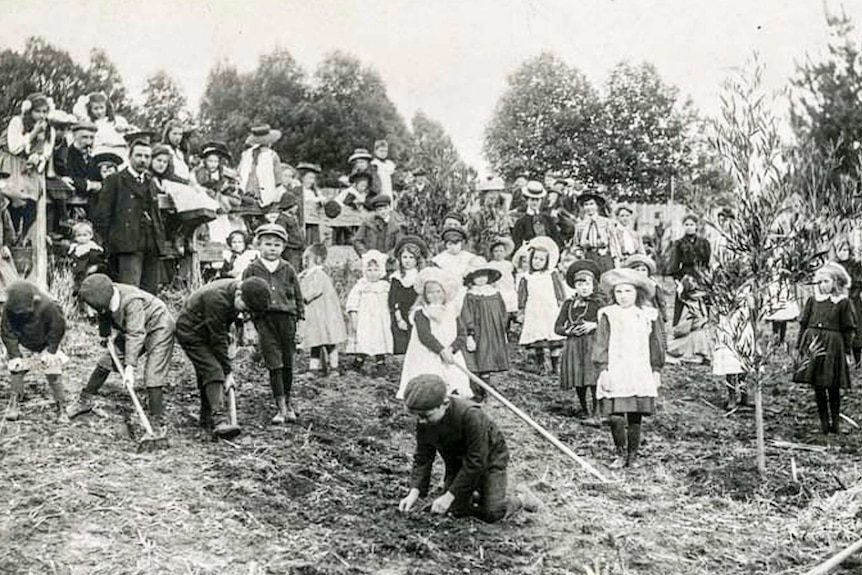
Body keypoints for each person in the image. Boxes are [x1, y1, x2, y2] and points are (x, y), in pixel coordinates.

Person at [397, 374, 539, 522]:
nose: (422, 422)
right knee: (454, 510)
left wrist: (449, 496)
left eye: (426, 416)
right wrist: (414, 492)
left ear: (444, 404)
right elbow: (423, 457)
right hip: (458, 463)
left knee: (492, 513)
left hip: (490, 460)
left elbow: (476, 461)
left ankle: (522, 498)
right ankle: (477, 493)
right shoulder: (425, 419)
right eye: (418, 417)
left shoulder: (471, 416)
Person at [67, 274, 176, 429]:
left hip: (159, 326)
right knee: (105, 362)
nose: (90, 311)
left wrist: (129, 368)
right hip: (133, 329)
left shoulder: (131, 301)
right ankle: (84, 401)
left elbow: (136, 334)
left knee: (153, 374)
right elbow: (104, 314)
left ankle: (157, 422)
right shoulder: (104, 294)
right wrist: (104, 335)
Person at [176, 276, 271, 438]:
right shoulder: (217, 298)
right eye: (246, 308)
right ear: (239, 294)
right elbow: (217, 339)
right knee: (214, 370)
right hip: (191, 332)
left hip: (208, 329)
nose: (244, 313)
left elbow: (223, 330)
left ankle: (206, 419)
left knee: (207, 374)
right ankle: (219, 418)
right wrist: (228, 372)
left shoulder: (237, 293)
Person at [593, 268, 665, 469]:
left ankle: (633, 455)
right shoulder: (608, 314)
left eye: (628, 292)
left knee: (635, 415)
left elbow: (655, 344)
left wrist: (656, 370)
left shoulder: (647, 315)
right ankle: (620, 452)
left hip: (638, 369)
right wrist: (603, 369)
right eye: (619, 292)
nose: (623, 296)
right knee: (615, 416)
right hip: (616, 369)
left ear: (637, 293)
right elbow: (601, 343)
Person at [242, 223, 305, 424]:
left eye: (277, 245)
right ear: (258, 245)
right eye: (268, 244)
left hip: (287, 320)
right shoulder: (252, 269)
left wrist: (300, 324)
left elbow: (298, 297)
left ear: (283, 247)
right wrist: (249, 325)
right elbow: (244, 298)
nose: (272, 248)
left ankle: (288, 400)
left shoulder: (288, 269)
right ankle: (280, 407)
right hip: (264, 320)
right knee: (274, 363)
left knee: (287, 363)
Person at [93, 139, 167, 294]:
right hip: (127, 244)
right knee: (130, 292)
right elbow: (102, 216)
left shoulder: (150, 182)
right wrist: (112, 241)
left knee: (150, 293)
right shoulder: (115, 180)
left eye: (147, 156)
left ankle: (147, 319)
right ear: (130, 156)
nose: (143, 160)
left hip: (151, 243)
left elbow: (156, 215)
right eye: (139, 155)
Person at [793, 262, 856, 434]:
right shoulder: (813, 301)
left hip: (833, 346)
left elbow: (848, 330)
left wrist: (847, 352)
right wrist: (800, 347)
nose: (822, 285)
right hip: (814, 344)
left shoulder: (843, 303)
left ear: (836, 282)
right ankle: (824, 424)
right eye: (819, 282)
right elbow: (804, 325)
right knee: (818, 385)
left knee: (832, 384)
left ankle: (835, 422)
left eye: (826, 281)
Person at [396, 268, 473, 399]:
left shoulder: (452, 310)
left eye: (438, 291)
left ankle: (454, 394)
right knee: (430, 382)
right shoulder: (421, 312)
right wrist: (441, 351)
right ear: (424, 295)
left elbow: (461, 333)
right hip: (428, 352)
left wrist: (451, 349)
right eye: (430, 293)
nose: (435, 295)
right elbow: (425, 336)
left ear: (445, 292)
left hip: (450, 352)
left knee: (455, 380)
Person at [1, 281, 68, 422]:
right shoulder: (9, 308)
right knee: (16, 370)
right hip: (23, 342)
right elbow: (7, 332)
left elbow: (57, 328)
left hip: (45, 342)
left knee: (53, 371)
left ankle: (61, 407)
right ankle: (14, 403)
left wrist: (51, 350)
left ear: (34, 302)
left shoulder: (49, 305)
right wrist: (14, 355)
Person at [0, 92, 55, 236]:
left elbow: (47, 151)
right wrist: (33, 133)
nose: (42, 115)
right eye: (38, 111)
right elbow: (14, 147)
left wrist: (38, 158)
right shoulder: (17, 122)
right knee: (13, 198)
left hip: (30, 168)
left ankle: (23, 236)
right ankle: (11, 236)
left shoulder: (49, 128)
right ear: (29, 111)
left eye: (45, 111)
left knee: (31, 202)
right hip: (10, 163)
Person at [555, 260, 603, 420]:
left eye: (587, 284)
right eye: (579, 284)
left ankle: (597, 411)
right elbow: (557, 327)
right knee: (578, 378)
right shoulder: (569, 304)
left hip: (592, 343)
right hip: (574, 345)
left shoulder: (598, 303)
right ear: (574, 286)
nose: (584, 288)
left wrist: (593, 325)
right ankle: (584, 408)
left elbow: (607, 322)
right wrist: (567, 331)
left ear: (593, 285)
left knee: (593, 376)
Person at [460, 257, 509, 401]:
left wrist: (502, 328)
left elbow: (502, 312)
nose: (481, 279)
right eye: (477, 276)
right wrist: (469, 334)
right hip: (477, 333)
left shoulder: (494, 294)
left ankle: (486, 391)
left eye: (483, 275)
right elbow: (465, 314)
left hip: (492, 333)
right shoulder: (470, 296)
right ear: (472, 278)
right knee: (475, 362)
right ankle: (476, 392)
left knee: (488, 362)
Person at [516, 236, 566, 374]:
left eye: (541, 259)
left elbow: (559, 291)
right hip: (534, 310)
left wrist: (561, 304)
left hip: (550, 308)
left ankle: (556, 364)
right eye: (535, 258)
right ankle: (542, 365)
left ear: (547, 261)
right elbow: (522, 295)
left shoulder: (552, 274)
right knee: (538, 335)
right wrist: (521, 310)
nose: (538, 262)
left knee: (553, 336)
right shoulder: (526, 277)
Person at [298, 244, 347, 377]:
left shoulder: (319, 274)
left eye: (308, 259)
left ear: (318, 259)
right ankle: (313, 369)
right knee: (315, 341)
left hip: (325, 315)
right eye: (304, 259)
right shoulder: (306, 275)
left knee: (329, 342)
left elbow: (314, 291)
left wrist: (302, 295)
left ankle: (334, 367)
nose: (305, 262)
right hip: (315, 316)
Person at [345, 250, 392, 377]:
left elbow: (391, 302)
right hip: (364, 318)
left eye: (376, 270)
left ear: (381, 271)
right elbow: (352, 301)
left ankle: (380, 363)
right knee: (364, 338)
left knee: (379, 338)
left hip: (380, 319)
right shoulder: (361, 286)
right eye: (369, 270)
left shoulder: (385, 286)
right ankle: (358, 362)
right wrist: (354, 315)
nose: (372, 273)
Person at [667, 214, 711, 326]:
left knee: (704, 303)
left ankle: (705, 324)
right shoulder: (679, 243)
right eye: (686, 224)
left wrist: (706, 276)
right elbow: (674, 264)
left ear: (696, 226)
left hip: (701, 276)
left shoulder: (704, 243)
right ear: (683, 226)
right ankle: (678, 328)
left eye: (691, 224)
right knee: (682, 303)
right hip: (686, 275)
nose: (689, 227)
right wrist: (678, 281)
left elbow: (707, 261)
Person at [53, 121, 99, 227]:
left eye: (91, 138)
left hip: (89, 209)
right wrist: (90, 185)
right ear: (74, 137)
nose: (88, 142)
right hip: (67, 210)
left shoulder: (93, 159)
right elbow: (68, 178)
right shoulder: (64, 155)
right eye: (84, 137)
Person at [389, 235, 429, 355]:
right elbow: (393, 299)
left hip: (416, 312)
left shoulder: (420, 276)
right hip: (400, 314)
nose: (407, 260)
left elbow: (423, 295)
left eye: (411, 257)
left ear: (417, 259)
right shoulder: (396, 277)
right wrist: (399, 318)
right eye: (404, 257)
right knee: (401, 342)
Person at [713, 292, 753, 410]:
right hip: (728, 328)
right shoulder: (723, 287)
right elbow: (717, 308)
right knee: (729, 362)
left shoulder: (747, 286)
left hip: (744, 328)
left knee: (744, 362)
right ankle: (732, 396)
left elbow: (753, 306)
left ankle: (744, 394)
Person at [238, 125, 287, 208]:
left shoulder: (246, 154)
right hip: (263, 194)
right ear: (269, 142)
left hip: (247, 191)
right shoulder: (272, 155)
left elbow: (239, 173)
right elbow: (278, 179)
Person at [831, 236, 862, 367]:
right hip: (838, 302)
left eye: (846, 250)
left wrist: (852, 293)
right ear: (836, 252)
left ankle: (858, 359)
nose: (844, 253)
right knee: (840, 329)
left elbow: (859, 282)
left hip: (853, 302)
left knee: (856, 328)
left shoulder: (855, 266)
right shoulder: (834, 266)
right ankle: (843, 357)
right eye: (841, 250)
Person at [571, 191, 619, 274]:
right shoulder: (580, 225)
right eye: (586, 204)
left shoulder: (607, 223)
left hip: (604, 257)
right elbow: (576, 244)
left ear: (597, 206)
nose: (589, 207)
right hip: (587, 257)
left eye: (591, 204)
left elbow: (613, 243)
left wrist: (616, 260)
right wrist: (579, 253)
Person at [511, 181, 562, 249]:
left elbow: (556, 237)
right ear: (527, 200)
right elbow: (517, 242)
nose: (535, 203)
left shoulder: (547, 218)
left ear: (541, 201)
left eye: (537, 200)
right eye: (532, 199)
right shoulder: (521, 222)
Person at [67, 221, 105, 298]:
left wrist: (95, 267)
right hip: (76, 277)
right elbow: (70, 261)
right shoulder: (74, 249)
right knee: (75, 293)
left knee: (88, 293)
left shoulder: (93, 250)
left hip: (87, 276)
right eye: (79, 235)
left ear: (90, 235)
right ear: (75, 237)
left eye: (85, 235)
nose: (82, 238)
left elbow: (101, 263)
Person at [487, 236, 518, 321]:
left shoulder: (509, 264)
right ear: (492, 253)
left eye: (501, 251)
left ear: (505, 253)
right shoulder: (490, 264)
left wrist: (502, 239)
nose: (499, 253)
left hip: (509, 288)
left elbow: (513, 275)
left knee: (510, 309)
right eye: (496, 251)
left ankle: (510, 327)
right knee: (500, 309)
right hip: (498, 289)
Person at [297, 162, 324, 244]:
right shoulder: (299, 191)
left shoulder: (315, 192)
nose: (311, 181)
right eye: (309, 178)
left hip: (314, 220)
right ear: (302, 178)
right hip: (304, 220)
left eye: (313, 178)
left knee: (314, 240)